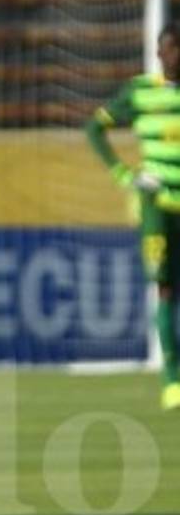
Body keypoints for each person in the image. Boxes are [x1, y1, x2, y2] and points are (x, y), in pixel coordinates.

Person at [87, 21, 180, 410]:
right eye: (170, 48)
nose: (174, 56)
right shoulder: (140, 92)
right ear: (159, 53)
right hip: (158, 207)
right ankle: (172, 379)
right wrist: (125, 176)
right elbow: (94, 128)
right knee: (165, 289)